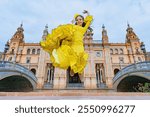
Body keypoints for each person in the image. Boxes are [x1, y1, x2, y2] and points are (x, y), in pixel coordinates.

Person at [40, 10, 93, 74]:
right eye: (77, 19)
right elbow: (67, 31)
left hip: (80, 46)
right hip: (73, 44)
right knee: (71, 56)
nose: (79, 20)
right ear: (76, 21)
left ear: (82, 20)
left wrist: (88, 13)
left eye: (80, 19)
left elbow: (89, 21)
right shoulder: (73, 27)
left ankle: (74, 69)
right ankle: (72, 67)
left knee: (80, 58)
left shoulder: (84, 29)